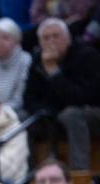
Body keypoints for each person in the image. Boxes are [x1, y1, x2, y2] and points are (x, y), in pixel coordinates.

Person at [23, 18, 100, 173]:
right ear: (39, 42)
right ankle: (29, 175)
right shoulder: (38, 60)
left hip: (90, 112)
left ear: (68, 38)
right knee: (24, 117)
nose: (51, 41)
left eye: (56, 36)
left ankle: (80, 175)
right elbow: (29, 98)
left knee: (71, 114)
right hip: (54, 112)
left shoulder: (87, 56)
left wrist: (53, 72)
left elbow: (81, 98)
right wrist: (46, 111)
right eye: (46, 38)